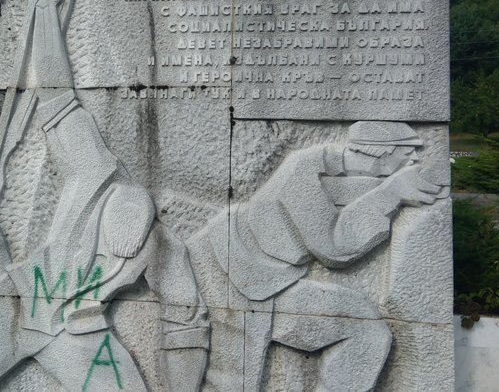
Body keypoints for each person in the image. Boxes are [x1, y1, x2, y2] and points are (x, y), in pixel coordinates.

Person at [0, 0, 209, 391]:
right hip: (16, 306)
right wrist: (44, 9)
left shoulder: (163, 247)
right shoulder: (91, 168)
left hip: (80, 331)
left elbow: (188, 319)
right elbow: (57, 93)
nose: (124, 244)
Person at [187, 121, 447, 391]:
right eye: (407, 152)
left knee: (366, 329)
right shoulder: (303, 170)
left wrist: (391, 190)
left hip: (266, 280)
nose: (414, 159)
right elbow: (336, 248)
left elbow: (348, 195)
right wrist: (391, 193)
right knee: (234, 381)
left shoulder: (333, 169)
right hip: (231, 270)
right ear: (381, 152)